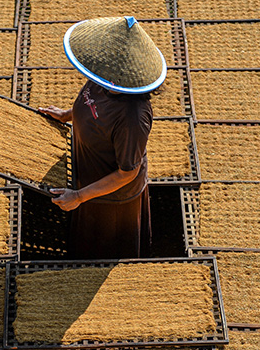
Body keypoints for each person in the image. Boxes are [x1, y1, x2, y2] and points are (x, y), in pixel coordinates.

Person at [39, 16, 167, 260]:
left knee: (104, 247)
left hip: (111, 198)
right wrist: (68, 115)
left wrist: (79, 196)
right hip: (86, 173)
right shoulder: (104, 76)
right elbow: (91, 104)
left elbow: (127, 172)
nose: (103, 76)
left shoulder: (133, 117)